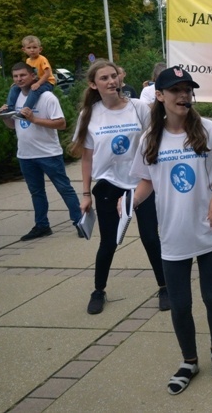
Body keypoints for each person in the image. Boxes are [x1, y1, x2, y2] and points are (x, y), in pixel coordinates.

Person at [128, 65, 212, 395]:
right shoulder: (150, 138)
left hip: (208, 230)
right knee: (180, 303)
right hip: (172, 235)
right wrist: (128, 204)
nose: (183, 95)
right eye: (175, 90)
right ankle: (189, 360)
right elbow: (146, 180)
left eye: (187, 89)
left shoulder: (210, 130)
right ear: (159, 96)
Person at [70, 59, 168, 315]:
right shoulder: (89, 114)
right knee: (109, 243)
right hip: (108, 186)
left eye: (114, 76)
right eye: (104, 78)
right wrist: (84, 194)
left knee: (150, 238)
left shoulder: (138, 108)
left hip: (141, 184)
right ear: (93, 84)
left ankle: (165, 286)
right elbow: (87, 157)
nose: (112, 81)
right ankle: (99, 290)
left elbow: (155, 142)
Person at [0, 63, 81, 240]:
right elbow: (13, 126)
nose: (19, 79)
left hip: (48, 153)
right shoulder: (16, 97)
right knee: (36, 192)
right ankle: (42, 225)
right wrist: (5, 117)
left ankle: (80, 222)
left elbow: (61, 123)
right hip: (26, 155)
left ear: (33, 76)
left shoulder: (47, 97)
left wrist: (34, 119)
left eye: (22, 75)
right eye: (15, 76)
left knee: (64, 189)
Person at [0, 36, 56, 120]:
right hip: (35, 81)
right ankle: (9, 108)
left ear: (40, 49)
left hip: (47, 82)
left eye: (34, 47)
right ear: (24, 49)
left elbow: (47, 74)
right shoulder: (28, 61)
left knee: (34, 90)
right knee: (15, 88)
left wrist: (38, 83)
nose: (32, 50)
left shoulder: (42, 59)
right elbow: (30, 75)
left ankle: (25, 111)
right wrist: (18, 82)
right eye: (29, 48)